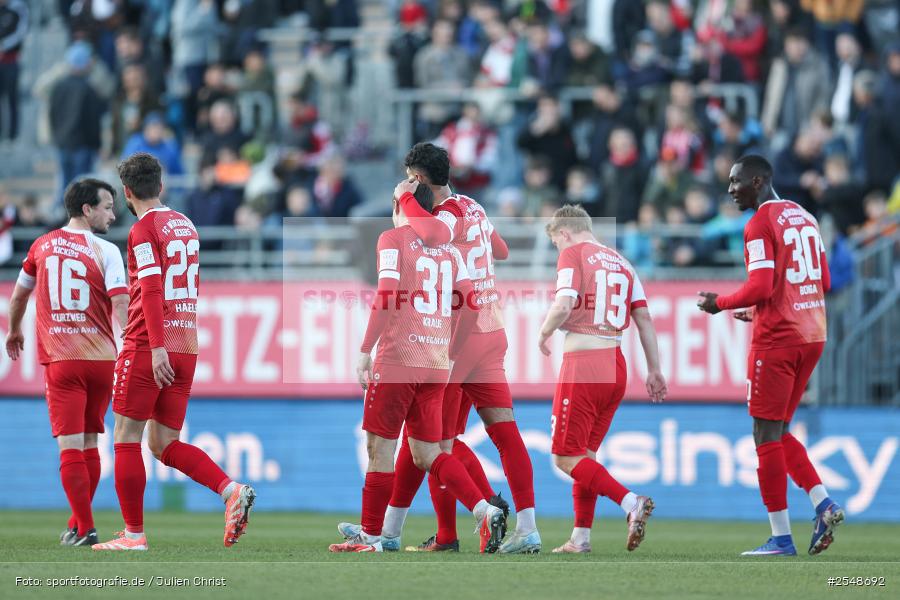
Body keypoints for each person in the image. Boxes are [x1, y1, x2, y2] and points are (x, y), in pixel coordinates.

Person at [341, 142, 539, 554]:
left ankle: (450, 527)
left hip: (458, 337)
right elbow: (500, 250)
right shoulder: (473, 206)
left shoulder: (441, 217)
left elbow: (432, 234)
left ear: (420, 180)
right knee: (495, 434)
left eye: (412, 178)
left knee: (432, 445)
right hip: (492, 327)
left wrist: (403, 201)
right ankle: (527, 527)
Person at [92, 153, 255, 551]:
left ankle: (133, 536)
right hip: (187, 342)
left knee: (127, 437)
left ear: (127, 193)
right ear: (161, 186)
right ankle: (230, 490)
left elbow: (149, 289)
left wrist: (157, 347)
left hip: (151, 344)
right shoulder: (185, 223)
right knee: (163, 443)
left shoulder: (143, 230)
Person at [697, 154, 843, 556]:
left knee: (764, 435)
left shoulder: (759, 224)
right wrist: (761, 306)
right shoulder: (805, 216)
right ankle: (823, 503)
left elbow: (761, 286)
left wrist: (720, 303)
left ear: (758, 181)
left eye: (735, 181)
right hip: (813, 336)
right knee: (778, 430)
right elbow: (823, 280)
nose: (729, 189)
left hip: (778, 341)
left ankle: (781, 537)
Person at [5, 178, 128, 547]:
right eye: (106, 206)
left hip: (62, 360)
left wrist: (14, 331)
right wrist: (134, 344)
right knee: (90, 442)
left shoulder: (40, 247)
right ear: (87, 209)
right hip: (102, 359)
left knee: (71, 446)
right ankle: (77, 524)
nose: (112, 213)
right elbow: (121, 303)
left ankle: (85, 528)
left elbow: (18, 297)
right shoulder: (106, 250)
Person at [539, 204, 666, 554]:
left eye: (556, 243)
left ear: (564, 232)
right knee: (585, 456)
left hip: (584, 363)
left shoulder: (573, 254)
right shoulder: (624, 263)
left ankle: (630, 503)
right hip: (616, 363)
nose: (558, 250)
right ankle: (580, 538)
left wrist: (543, 332)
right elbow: (644, 320)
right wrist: (654, 370)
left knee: (565, 458)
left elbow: (564, 304)